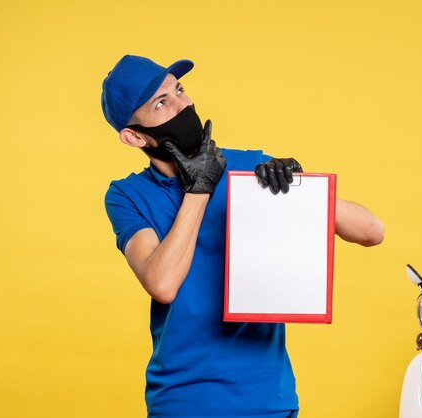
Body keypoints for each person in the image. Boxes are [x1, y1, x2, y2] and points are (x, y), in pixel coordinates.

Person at [101, 54, 384, 418]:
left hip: (267, 399)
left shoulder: (248, 169)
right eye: (161, 103)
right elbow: (162, 282)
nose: (183, 105)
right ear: (134, 136)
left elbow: (372, 231)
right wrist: (199, 188)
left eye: (179, 90)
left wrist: (300, 189)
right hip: (184, 401)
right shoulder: (127, 195)